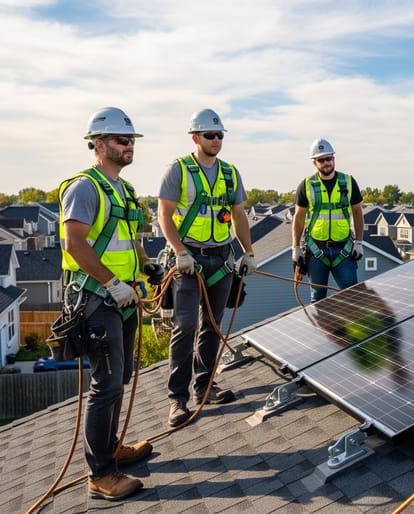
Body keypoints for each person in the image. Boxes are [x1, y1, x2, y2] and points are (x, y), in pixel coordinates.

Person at [59, 106, 164, 501]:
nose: (129, 146)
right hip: (96, 298)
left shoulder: (123, 190)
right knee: (106, 383)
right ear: (99, 144)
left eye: (131, 140)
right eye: (122, 140)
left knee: (120, 378)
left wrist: (146, 265)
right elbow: (75, 244)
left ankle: (111, 446)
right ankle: (101, 473)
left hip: (122, 296)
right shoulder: (85, 188)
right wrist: (112, 283)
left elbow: (128, 241)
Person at [157, 108, 256, 428]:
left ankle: (204, 387)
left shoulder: (230, 173)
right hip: (190, 259)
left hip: (221, 259)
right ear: (195, 138)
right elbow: (163, 214)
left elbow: (239, 215)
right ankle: (177, 399)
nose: (216, 140)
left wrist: (248, 252)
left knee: (212, 326)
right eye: (210, 135)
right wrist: (179, 252)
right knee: (184, 326)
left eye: (220, 135)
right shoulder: (178, 170)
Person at [291, 138, 365, 303]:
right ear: (314, 163)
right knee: (318, 299)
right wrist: (295, 247)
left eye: (329, 158)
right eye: (321, 160)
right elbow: (299, 218)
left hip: (343, 250)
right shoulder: (306, 185)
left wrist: (359, 242)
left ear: (334, 158)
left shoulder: (348, 182)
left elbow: (357, 213)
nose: (326, 163)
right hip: (317, 250)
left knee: (352, 296)